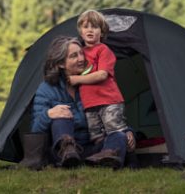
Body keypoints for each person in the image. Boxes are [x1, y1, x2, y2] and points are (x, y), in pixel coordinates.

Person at [31, 36, 134, 168]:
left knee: (119, 136)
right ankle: (69, 154)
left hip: (93, 147)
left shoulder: (93, 83)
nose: (81, 59)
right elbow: (35, 130)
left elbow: (110, 112)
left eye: (81, 53)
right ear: (61, 64)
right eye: (74, 56)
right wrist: (49, 114)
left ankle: (104, 160)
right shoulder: (46, 89)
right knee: (62, 115)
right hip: (61, 151)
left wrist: (127, 131)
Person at [68, 10, 129, 167]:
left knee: (115, 131)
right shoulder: (79, 53)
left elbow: (102, 75)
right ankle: (102, 160)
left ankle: (120, 159)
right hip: (90, 105)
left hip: (109, 100)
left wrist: (76, 79)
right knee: (97, 136)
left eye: (94, 27)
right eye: (86, 26)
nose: (90, 30)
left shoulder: (103, 50)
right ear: (80, 31)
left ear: (101, 32)